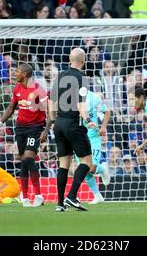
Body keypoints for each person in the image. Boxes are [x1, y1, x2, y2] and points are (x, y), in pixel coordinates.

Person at [49, 48, 95, 212]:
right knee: (87, 162)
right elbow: (80, 103)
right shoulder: (82, 77)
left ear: (70, 59)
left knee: (64, 164)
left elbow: (51, 100)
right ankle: (72, 196)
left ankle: (60, 204)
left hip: (59, 123)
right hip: (73, 123)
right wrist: (88, 120)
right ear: (83, 60)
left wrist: (54, 120)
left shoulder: (60, 76)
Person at [0, 64, 48, 207]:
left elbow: (49, 111)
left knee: (29, 158)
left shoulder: (38, 90)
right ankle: (24, 197)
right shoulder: (17, 88)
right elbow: (11, 108)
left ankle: (38, 195)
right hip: (20, 128)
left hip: (35, 128)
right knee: (24, 160)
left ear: (24, 74)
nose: (14, 74)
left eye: (17, 71)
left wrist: (46, 130)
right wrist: (0, 123)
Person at [74, 91, 111, 204]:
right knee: (84, 170)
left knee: (92, 168)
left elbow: (107, 112)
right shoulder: (69, 97)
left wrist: (103, 127)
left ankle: (102, 169)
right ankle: (97, 195)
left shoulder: (94, 97)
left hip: (93, 137)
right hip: (78, 138)